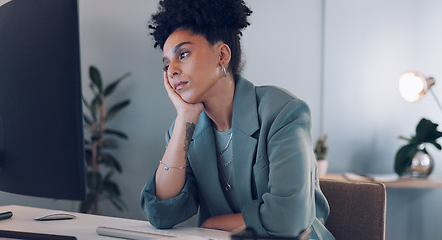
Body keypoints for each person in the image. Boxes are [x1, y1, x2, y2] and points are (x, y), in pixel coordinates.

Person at [140, 0, 335, 239]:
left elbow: (289, 220)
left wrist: (215, 222)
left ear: (222, 55)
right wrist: (184, 118)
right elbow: (161, 213)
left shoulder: (283, 113)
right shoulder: (183, 132)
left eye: (183, 54)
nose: (172, 71)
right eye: (167, 64)